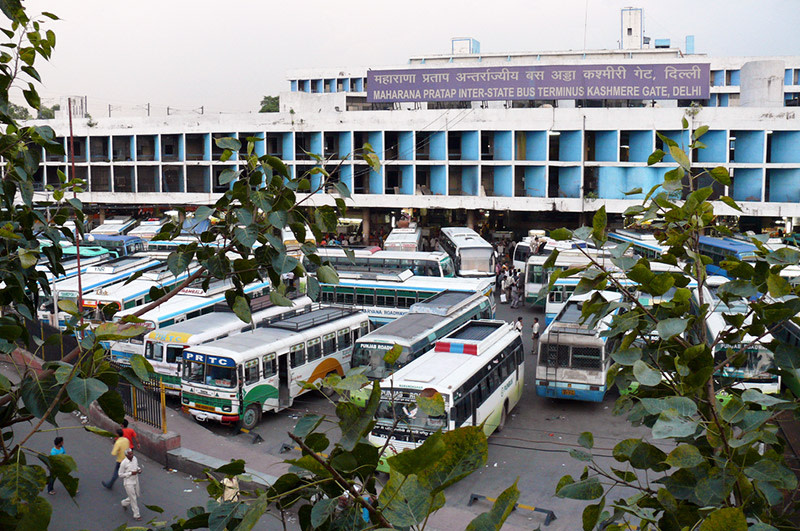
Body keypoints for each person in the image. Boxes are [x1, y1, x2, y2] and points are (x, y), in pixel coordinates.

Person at [118, 448, 142, 521]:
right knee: (133, 498)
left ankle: (124, 503)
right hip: (128, 482)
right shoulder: (124, 463)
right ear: (126, 455)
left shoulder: (135, 459)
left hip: (135, 479)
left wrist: (139, 469)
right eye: (130, 454)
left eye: (132, 453)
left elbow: (136, 466)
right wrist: (130, 473)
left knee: (136, 495)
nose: (131, 455)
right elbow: (120, 474)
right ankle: (136, 515)